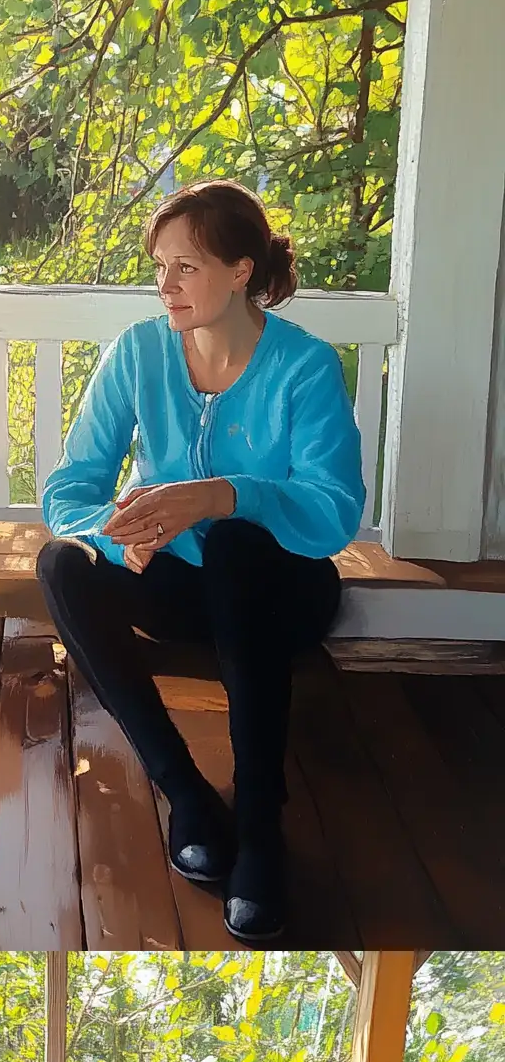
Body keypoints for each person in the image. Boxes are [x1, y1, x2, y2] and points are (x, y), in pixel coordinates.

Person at [38, 180, 367, 942]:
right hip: (175, 582)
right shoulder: (139, 353)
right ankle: (185, 792)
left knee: (236, 544)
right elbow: (70, 486)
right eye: (160, 266)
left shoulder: (304, 367)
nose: (167, 285)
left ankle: (259, 828)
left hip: (280, 588)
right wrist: (120, 532)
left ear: (242, 270)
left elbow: (332, 511)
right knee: (61, 566)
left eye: (187, 267)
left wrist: (221, 496)